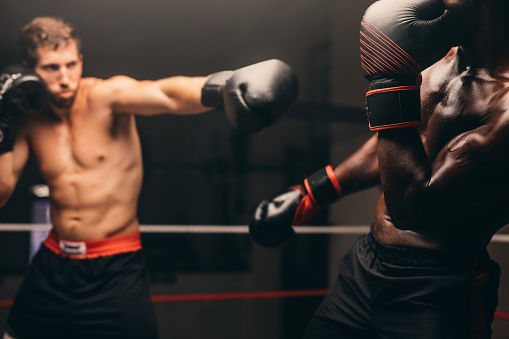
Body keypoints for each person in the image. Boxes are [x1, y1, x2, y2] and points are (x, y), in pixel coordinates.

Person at [0, 16, 298, 339]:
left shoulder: (105, 96)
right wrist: (3, 126)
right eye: (51, 68)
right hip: (53, 263)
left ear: (81, 60)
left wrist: (222, 87)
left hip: (115, 267)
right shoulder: (26, 119)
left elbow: (165, 94)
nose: (65, 78)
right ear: (30, 69)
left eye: (71, 64)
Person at [248, 0, 509, 337]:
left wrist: (387, 81)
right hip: (365, 265)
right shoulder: (444, 58)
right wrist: (311, 193)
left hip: (438, 291)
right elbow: (404, 141)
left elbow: (412, 206)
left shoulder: (505, 108)